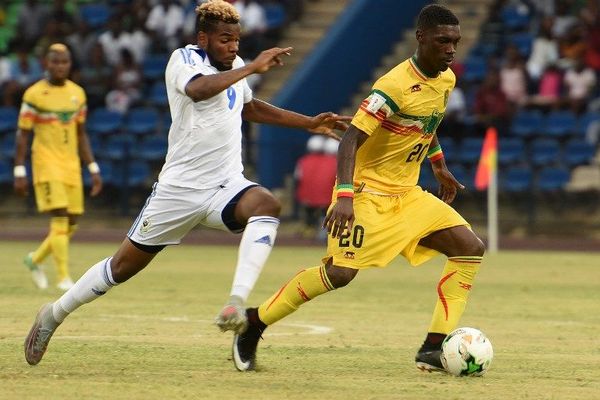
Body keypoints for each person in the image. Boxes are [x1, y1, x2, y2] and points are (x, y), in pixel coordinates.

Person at [23, 0, 348, 366]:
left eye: (237, 40)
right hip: (178, 191)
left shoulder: (237, 67)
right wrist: (253, 67)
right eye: (225, 40)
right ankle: (53, 314)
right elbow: (198, 90)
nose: (233, 47)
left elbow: (248, 107)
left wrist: (308, 122)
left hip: (225, 184)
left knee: (266, 204)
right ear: (203, 38)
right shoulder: (184, 60)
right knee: (120, 268)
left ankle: (235, 305)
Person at [232, 4, 486, 373]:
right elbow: (349, 139)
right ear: (421, 38)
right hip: (366, 193)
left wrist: (439, 165)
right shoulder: (393, 86)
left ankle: (433, 347)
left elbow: (426, 125)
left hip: (407, 194)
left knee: (469, 249)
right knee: (340, 274)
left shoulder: (446, 80)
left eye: (456, 42)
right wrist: (346, 198)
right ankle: (254, 323)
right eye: (443, 41)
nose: (451, 49)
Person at [14, 43, 103, 291]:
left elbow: (81, 134)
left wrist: (93, 168)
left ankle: (34, 259)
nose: (60, 66)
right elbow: (22, 134)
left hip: (70, 164)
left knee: (72, 221)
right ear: (46, 63)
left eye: (64, 62)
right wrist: (19, 169)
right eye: (55, 62)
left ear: (70, 64)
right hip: (46, 162)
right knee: (61, 216)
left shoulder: (78, 94)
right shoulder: (34, 95)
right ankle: (64, 277)